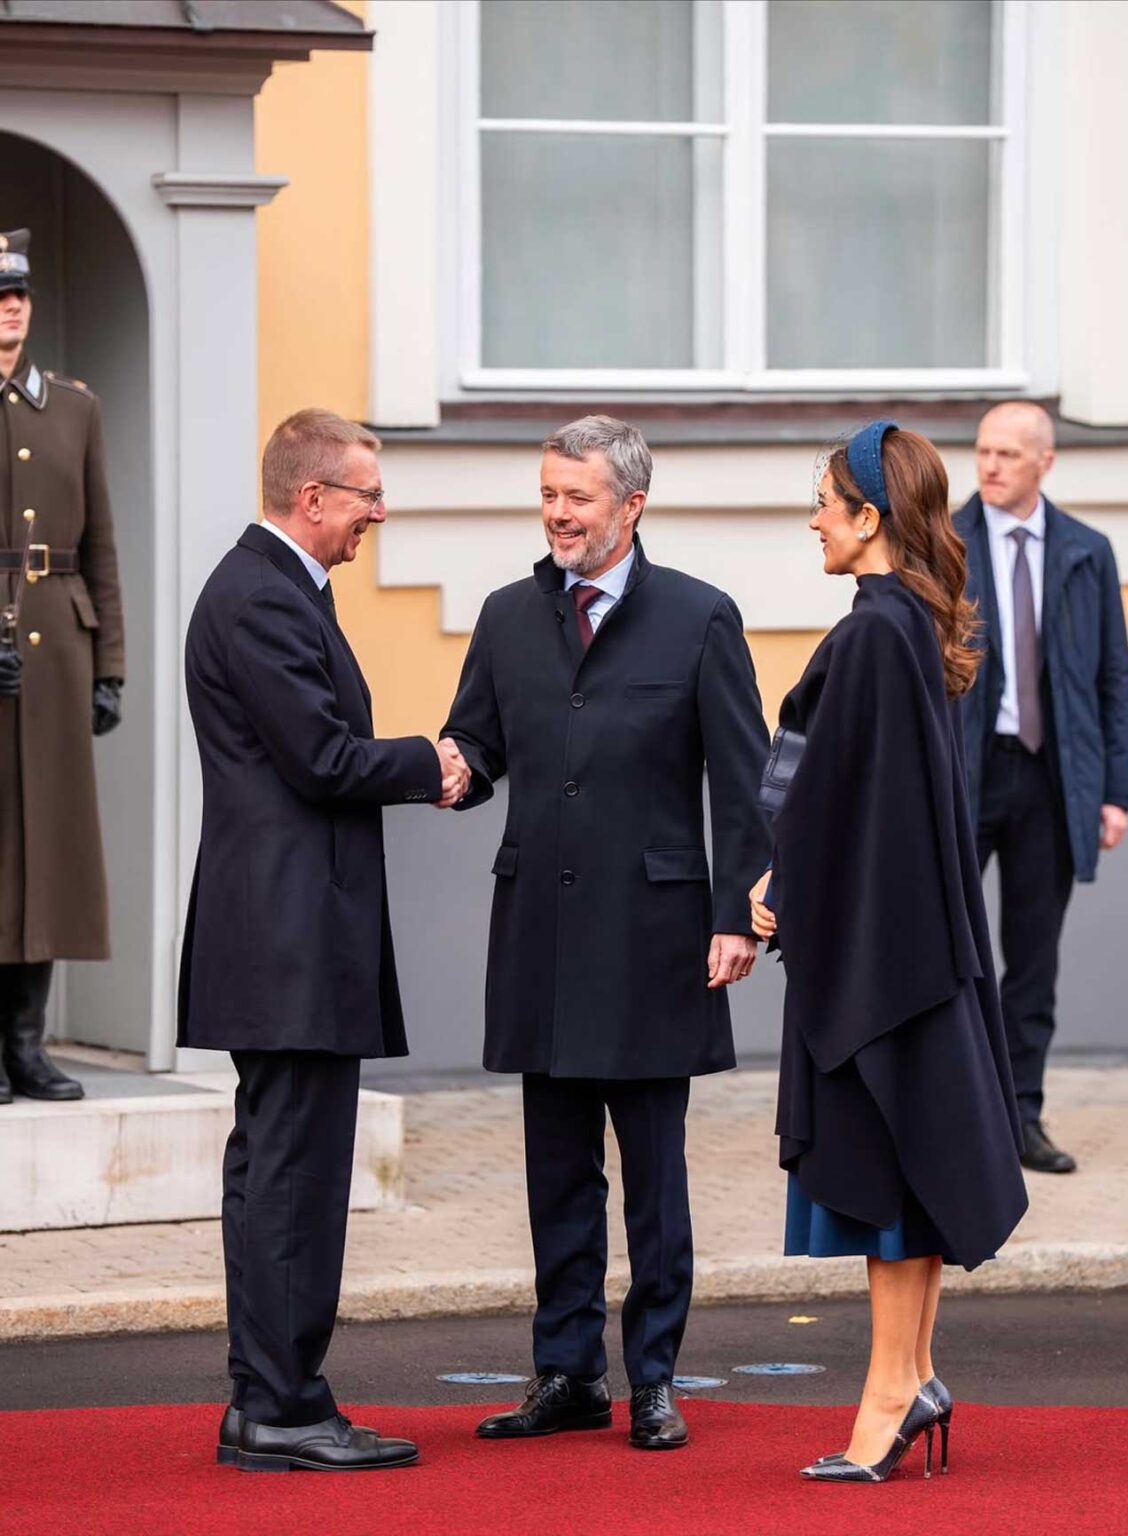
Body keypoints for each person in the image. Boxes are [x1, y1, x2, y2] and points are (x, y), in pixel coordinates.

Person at [441, 415, 771, 1451]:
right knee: (555, 1173)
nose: (555, 514)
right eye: (546, 494)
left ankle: (658, 1377)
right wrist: (434, 771)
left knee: (654, 1176)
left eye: (575, 498)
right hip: (540, 929)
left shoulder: (699, 618)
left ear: (629, 505)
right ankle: (566, 1372)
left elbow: (743, 782)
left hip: (654, 937)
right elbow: (477, 748)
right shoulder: (504, 617)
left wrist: (737, 916)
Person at [178, 408, 471, 1473]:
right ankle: (280, 1404)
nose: (376, 515)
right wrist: (428, 763)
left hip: (294, 930)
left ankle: (272, 1395)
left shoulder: (275, 587)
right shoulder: (260, 594)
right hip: (287, 935)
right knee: (292, 1176)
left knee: (283, 1171)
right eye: (364, 496)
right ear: (312, 499)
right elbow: (318, 758)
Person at [750, 422, 1028, 1483]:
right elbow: (866, 794)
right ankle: (906, 1376)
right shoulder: (907, 622)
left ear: (869, 517)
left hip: (876, 955)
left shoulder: (874, 633)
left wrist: (782, 886)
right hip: (905, 942)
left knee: (884, 1174)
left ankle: (889, 1393)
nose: (813, 518)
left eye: (826, 500)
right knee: (905, 1175)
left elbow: (837, 802)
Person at [955, 403, 1128, 1174]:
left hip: (1050, 777)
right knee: (952, 950)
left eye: (1006, 454)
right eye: (982, 451)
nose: (989, 466)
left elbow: (1110, 676)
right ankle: (956, 1117)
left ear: (1044, 463)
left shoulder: (1085, 553)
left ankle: (1021, 1118)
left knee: (1032, 960)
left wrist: (1114, 789)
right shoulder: (940, 543)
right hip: (963, 771)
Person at [0, 227, 124, 1107]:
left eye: (18, 294)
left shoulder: (75, 407)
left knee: (49, 846)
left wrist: (109, 662)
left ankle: (25, 1047)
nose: (9, 307)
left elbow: (103, 545)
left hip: (58, 650)